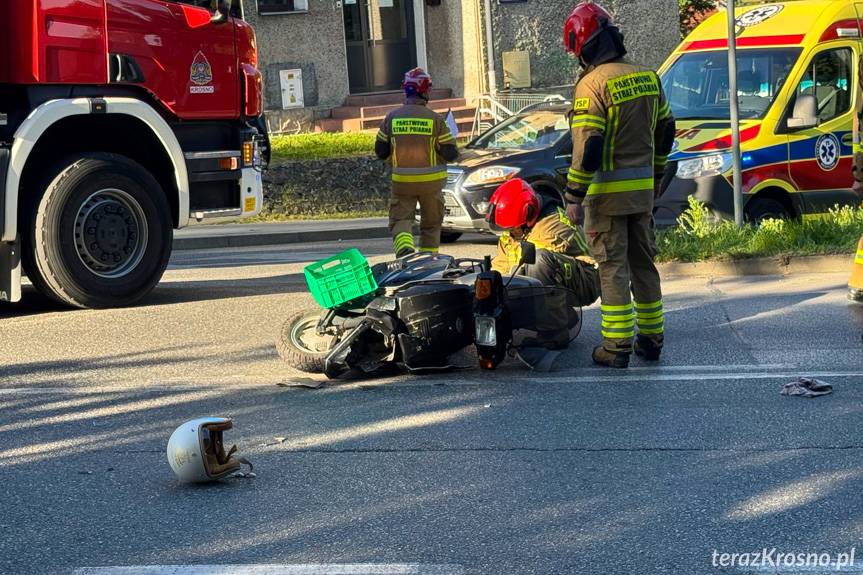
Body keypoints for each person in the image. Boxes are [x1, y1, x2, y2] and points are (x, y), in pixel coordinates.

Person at [562, 2, 676, 368]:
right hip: (642, 195)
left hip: (606, 201)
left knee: (612, 268)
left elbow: (589, 145)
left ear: (583, 48)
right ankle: (652, 338)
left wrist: (573, 195)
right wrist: (657, 177)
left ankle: (616, 346)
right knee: (644, 265)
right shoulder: (648, 77)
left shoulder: (592, 85)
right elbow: (666, 130)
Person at [375, 68, 459, 257]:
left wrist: (395, 158)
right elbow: (450, 153)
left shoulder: (392, 117)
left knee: (401, 219)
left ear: (405, 90)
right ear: (425, 91)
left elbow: (380, 151)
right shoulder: (436, 120)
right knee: (431, 224)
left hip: (402, 182)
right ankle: (429, 260)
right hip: (432, 184)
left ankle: (405, 250)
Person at [487, 178, 601, 310]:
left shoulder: (551, 228)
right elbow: (501, 266)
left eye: (512, 228)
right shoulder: (517, 226)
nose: (510, 232)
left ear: (528, 215)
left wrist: (506, 289)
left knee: (538, 261)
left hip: (585, 281)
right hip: (553, 278)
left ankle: (552, 326)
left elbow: (524, 271)